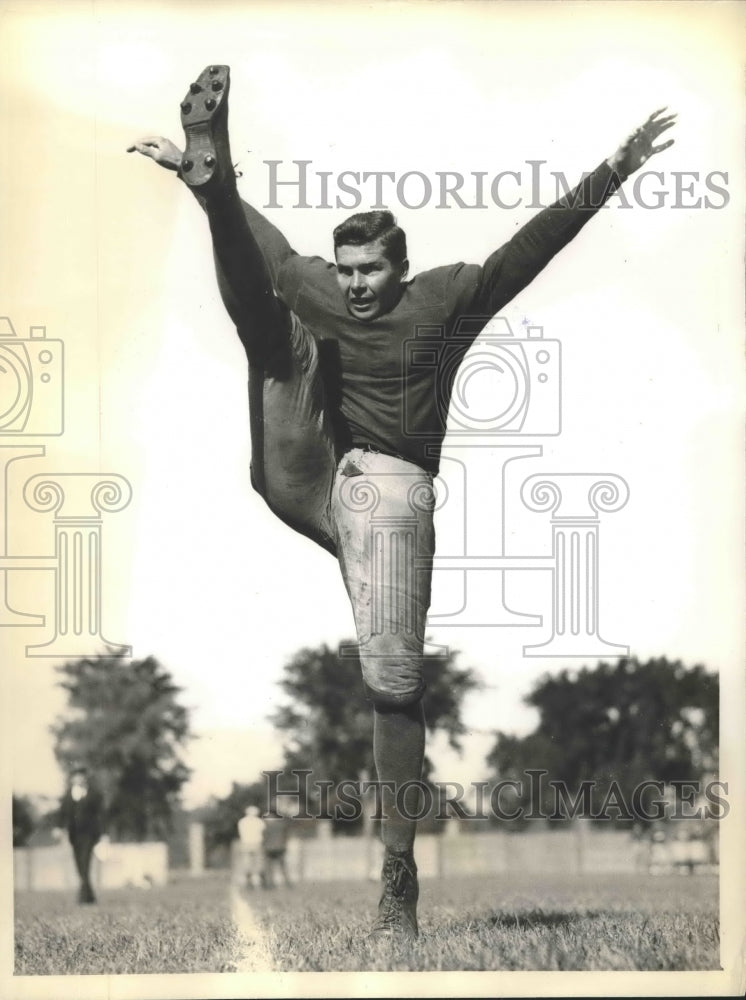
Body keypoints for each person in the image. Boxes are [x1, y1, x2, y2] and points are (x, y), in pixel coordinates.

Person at [128, 65, 676, 941]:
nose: (351, 285)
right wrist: (208, 193)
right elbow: (273, 259)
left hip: (388, 493)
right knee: (270, 332)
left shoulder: (446, 300)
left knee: (392, 687)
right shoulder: (326, 292)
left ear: (401, 266)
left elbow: (528, 251)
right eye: (344, 270)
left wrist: (613, 170)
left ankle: (396, 881)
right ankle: (212, 166)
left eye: (369, 270)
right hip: (313, 476)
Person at [59, 766, 104, 904]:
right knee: (79, 865)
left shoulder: (94, 794)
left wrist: (103, 833)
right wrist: (59, 827)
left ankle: (83, 897)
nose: (78, 779)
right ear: (72, 779)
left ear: (85, 778)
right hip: (74, 835)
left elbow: (101, 815)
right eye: (75, 776)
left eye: (81, 776)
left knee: (85, 863)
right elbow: (62, 814)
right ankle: (90, 896)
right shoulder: (68, 795)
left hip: (90, 834)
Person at [262, 807, 292, 889]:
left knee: (269, 868)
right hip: (280, 848)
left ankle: (270, 885)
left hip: (269, 848)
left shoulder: (266, 826)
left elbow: (264, 837)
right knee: (283, 867)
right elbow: (285, 836)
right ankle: (288, 884)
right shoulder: (281, 825)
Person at [237, 805, 265, 889]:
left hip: (245, 843)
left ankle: (246, 882)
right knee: (257, 865)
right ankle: (256, 883)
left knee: (246, 863)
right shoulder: (260, 822)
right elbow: (262, 832)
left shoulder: (242, 822)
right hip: (257, 843)